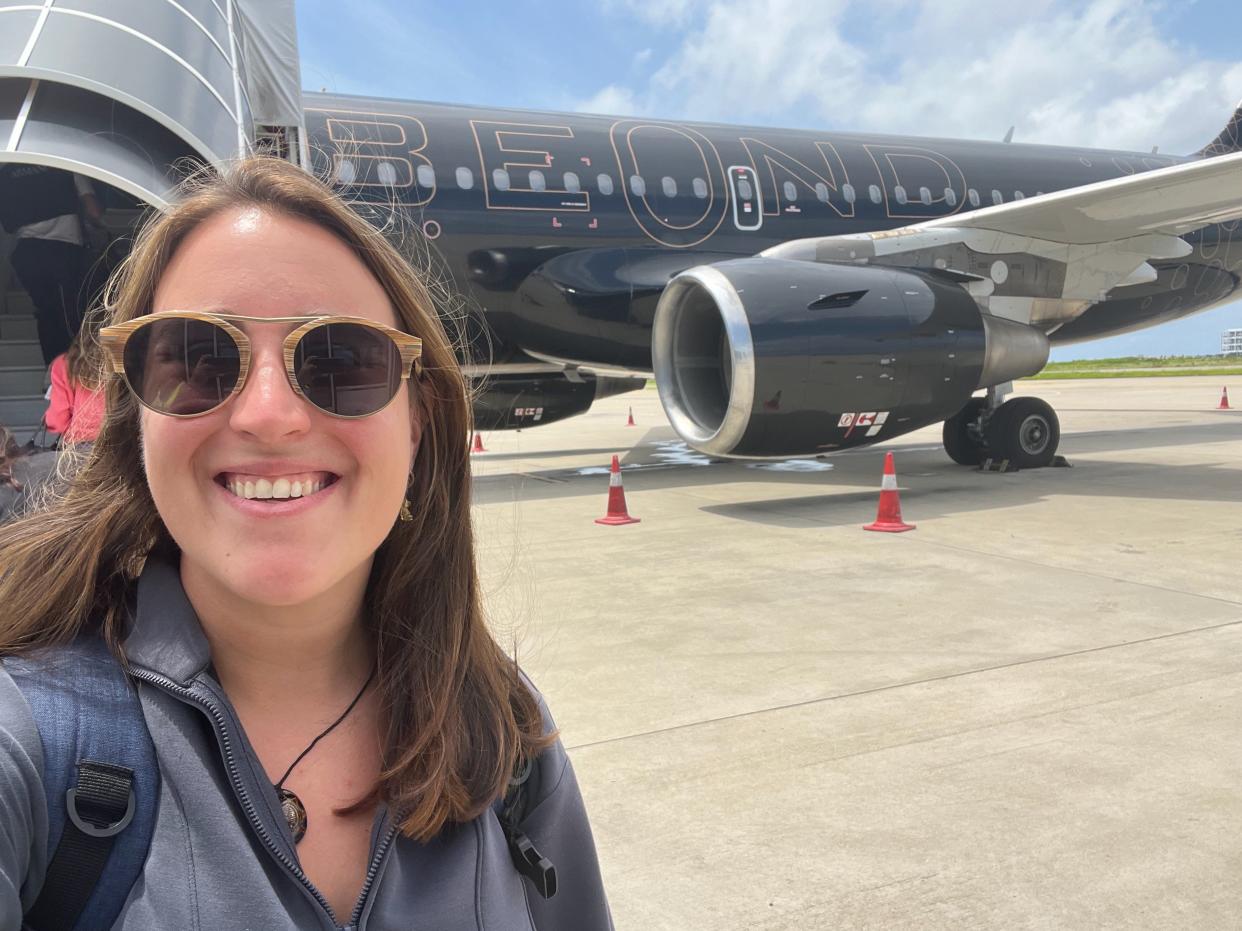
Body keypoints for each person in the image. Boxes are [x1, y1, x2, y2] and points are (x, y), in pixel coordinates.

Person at [0, 157, 612, 928]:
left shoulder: (503, 731)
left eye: (339, 360)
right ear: (137, 416)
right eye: (196, 357)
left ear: (418, 420)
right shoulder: (32, 734)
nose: (268, 414)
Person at [0, 165, 105, 365]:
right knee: (73, 312)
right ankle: (78, 372)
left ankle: (54, 372)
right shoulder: (64, 164)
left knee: (46, 312)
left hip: (27, 253)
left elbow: (8, 222)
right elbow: (94, 211)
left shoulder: (6, 173)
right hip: (65, 249)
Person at [43, 311, 106, 444]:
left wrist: (50, 421)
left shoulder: (64, 364)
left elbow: (57, 420)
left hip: (80, 446)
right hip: (123, 445)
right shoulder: (131, 362)